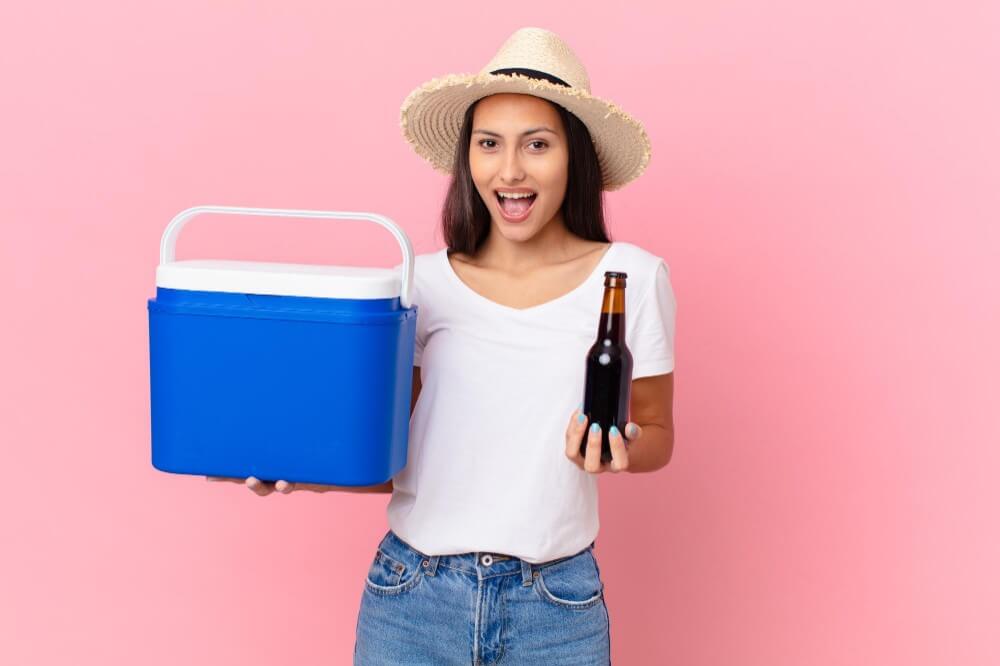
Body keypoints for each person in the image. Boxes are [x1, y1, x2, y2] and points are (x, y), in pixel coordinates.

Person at [209, 26, 676, 664]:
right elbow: (397, 454)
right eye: (489, 145)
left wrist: (619, 450)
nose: (510, 170)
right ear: (469, 158)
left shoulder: (632, 278)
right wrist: (303, 469)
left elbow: (655, 432)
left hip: (557, 607)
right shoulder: (420, 283)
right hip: (411, 597)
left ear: (575, 156)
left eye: (536, 145)